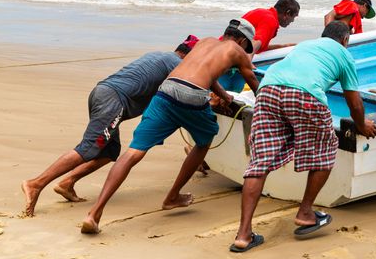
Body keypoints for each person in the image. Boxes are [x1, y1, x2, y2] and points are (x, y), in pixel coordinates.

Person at [80, 19, 259, 234]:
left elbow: (206, 73)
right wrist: (265, 104)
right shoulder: (236, 51)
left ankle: (94, 213)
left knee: (134, 152)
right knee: (206, 138)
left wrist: (223, 96)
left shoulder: (205, 42)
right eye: (245, 45)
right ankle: (173, 195)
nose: (244, 49)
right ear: (240, 40)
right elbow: (251, 78)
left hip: (166, 89)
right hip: (192, 96)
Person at [230, 22, 376, 252]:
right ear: (345, 40)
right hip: (304, 94)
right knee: (327, 148)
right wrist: (361, 125)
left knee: (258, 164)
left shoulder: (305, 46)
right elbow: (355, 102)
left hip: (268, 91)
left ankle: (243, 235)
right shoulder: (343, 54)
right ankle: (306, 212)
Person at [20, 36, 200, 217]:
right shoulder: (175, 62)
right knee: (89, 147)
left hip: (103, 93)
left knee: (109, 152)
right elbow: (187, 88)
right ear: (187, 56)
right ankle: (36, 184)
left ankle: (67, 183)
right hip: (112, 101)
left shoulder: (158, 56)